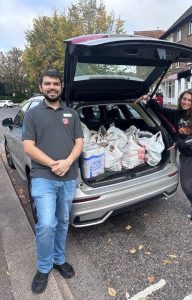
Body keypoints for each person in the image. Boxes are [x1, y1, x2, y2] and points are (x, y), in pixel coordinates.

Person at [22, 69, 83, 294]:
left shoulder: (72, 113)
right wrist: (54, 164)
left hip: (68, 177)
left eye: (56, 84)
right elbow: (28, 147)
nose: (52, 87)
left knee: (62, 220)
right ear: (41, 87)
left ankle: (59, 259)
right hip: (43, 178)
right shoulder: (33, 114)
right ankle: (44, 267)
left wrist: (67, 162)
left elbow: (79, 142)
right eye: (47, 84)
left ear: (61, 87)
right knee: (46, 223)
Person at [138, 89, 192, 223]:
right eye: (184, 99)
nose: (186, 102)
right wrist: (148, 99)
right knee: (187, 185)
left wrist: (179, 144)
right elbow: (161, 110)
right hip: (187, 156)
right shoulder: (176, 114)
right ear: (180, 99)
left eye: (189, 100)